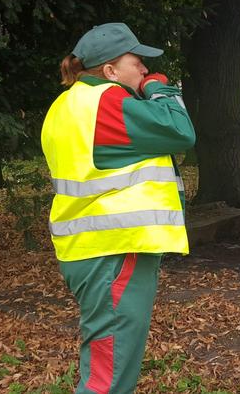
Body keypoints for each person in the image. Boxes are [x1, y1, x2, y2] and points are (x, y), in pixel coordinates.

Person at [41, 23, 195, 393]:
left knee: (106, 358)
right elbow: (180, 131)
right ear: (110, 71)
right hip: (113, 250)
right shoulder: (107, 102)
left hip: (91, 248)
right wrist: (157, 87)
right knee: (108, 376)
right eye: (136, 61)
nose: (144, 68)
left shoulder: (66, 104)